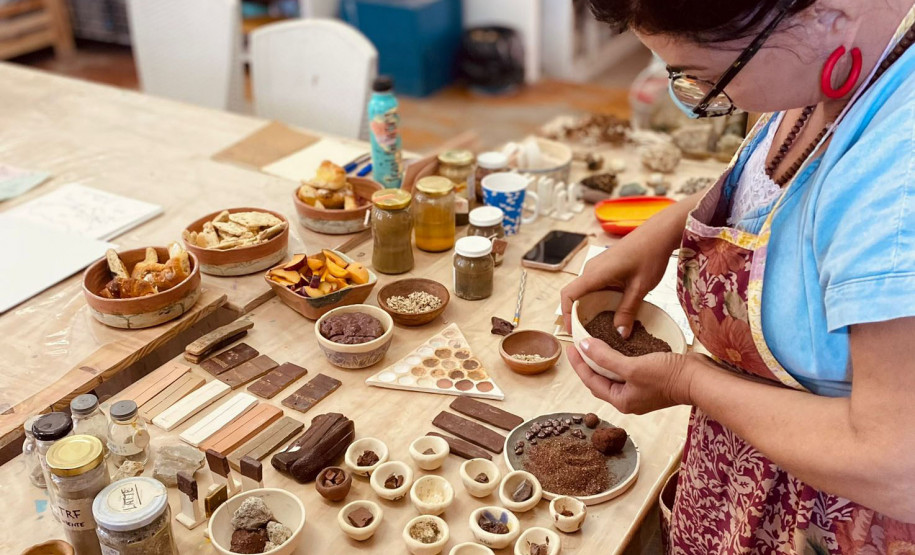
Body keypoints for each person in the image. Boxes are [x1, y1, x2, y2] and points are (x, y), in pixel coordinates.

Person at [560, 0, 915, 552]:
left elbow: (898, 465)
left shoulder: (898, 180)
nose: (697, 98)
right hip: (741, 478)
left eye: (704, 79)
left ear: (826, 14)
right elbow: (789, 183)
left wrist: (688, 381)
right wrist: (670, 226)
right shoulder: (834, 48)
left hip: (835, 524)